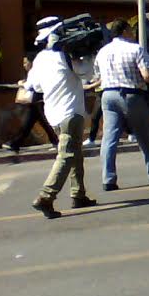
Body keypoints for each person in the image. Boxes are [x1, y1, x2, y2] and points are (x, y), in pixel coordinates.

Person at [22, 17, 97, 218]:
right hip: (70, 113)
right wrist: (89, 55)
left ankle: (78, 194)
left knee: (75, 154)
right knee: (67, 156)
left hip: (53, 114)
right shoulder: (64, 56)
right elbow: (86, 74)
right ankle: (46, 197)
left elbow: (34, 88)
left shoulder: (40, 59)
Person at [94, 19, 149, 190]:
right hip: (131, 94)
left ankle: (108, 178)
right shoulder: (136, 49)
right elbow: (147, 76)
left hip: (108, 94)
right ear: (125, 31)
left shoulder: (102, 52)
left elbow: (98, 76)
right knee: (144, 135)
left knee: (109, 138)